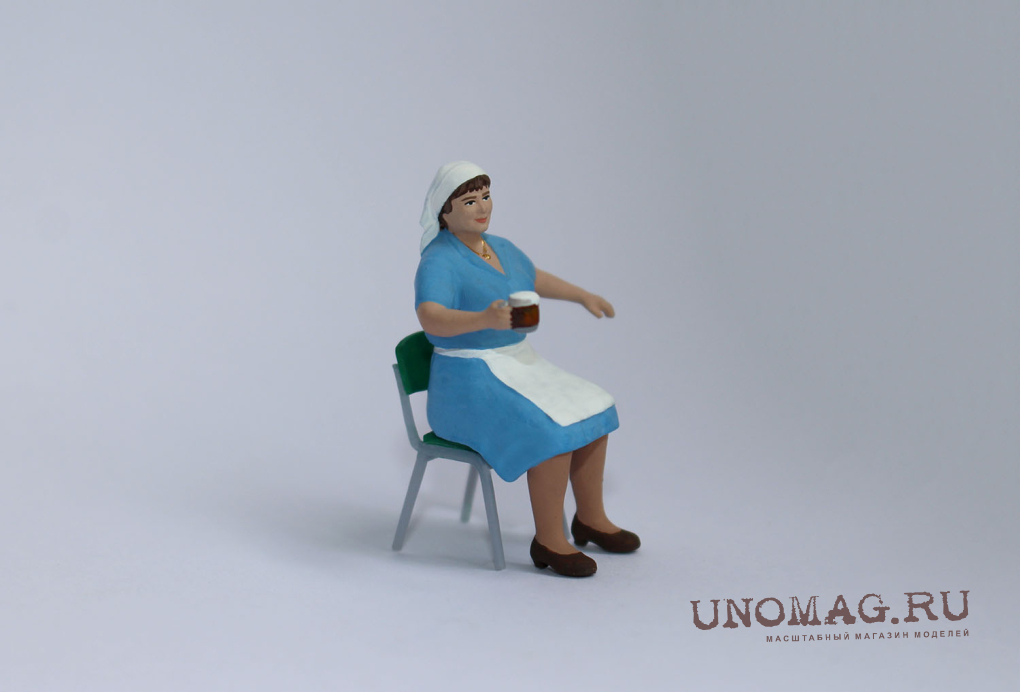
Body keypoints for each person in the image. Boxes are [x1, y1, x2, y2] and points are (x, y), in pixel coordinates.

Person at [414, 161, 639, 577]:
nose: (483, 207)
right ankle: (549, 539)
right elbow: (430, 316)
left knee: (593, 405)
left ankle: (590, 518)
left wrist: (581, 295)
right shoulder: (439, 261)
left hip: (518, 360)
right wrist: (483, 319)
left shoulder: (498, 246)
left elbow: (532, 277)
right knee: (550, 426)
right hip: (467, 380)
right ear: (445, 211)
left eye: (485, 196)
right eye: (469, 201)